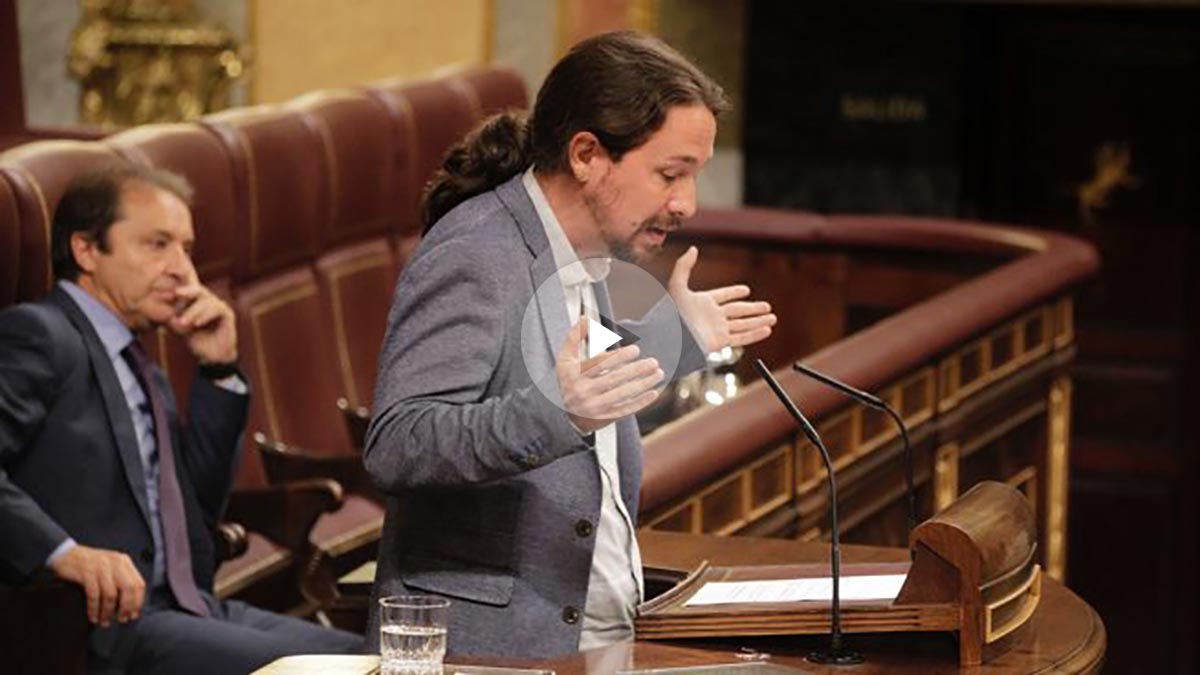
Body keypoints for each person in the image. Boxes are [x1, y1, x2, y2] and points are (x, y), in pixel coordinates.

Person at [364, 30, 776, 658]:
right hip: (491, 653)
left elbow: (581, 382)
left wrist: (681, 339)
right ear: (586, 154)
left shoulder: (593, 254)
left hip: (595, 633)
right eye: (670, 173)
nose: (687, 203)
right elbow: (398, 443)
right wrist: (559, 414)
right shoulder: (475, 255)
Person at [0, 162, 363, 674]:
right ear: (86, 250)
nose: (182, 270)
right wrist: (64, 553)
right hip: (102, 626)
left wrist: (218, 368)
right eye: (157, 245)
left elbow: (197, 506)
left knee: (372, 658)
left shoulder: (144, 365)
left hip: (191, 606)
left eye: (186, 249)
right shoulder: (40, 335)